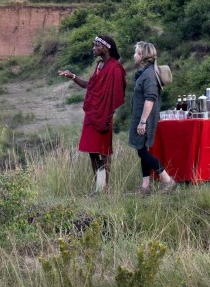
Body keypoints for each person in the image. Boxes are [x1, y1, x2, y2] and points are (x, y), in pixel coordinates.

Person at [58, 34, 125, 194]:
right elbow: (90, 85)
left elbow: (116, 94)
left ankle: (104, 189)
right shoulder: (99, 65)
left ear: (106, 48)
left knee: (104, 152)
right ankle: (98, 187)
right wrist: (72, 76)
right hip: (92, 114)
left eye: (96, 45)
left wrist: (109, 116)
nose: (93, 48)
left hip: (104, 116)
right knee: (92, 152)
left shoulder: (115, 68)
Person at [129, 41, 178, 194]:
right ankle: (145, 186)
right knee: (142, 149)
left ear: (143, 56)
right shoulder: (146, 73)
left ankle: (167, 180)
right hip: (140, 118)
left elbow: (150, 99)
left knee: (142, 152)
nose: (134, 55)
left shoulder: (149, 75)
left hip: (145, 119)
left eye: (137, 53)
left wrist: (143, 121)